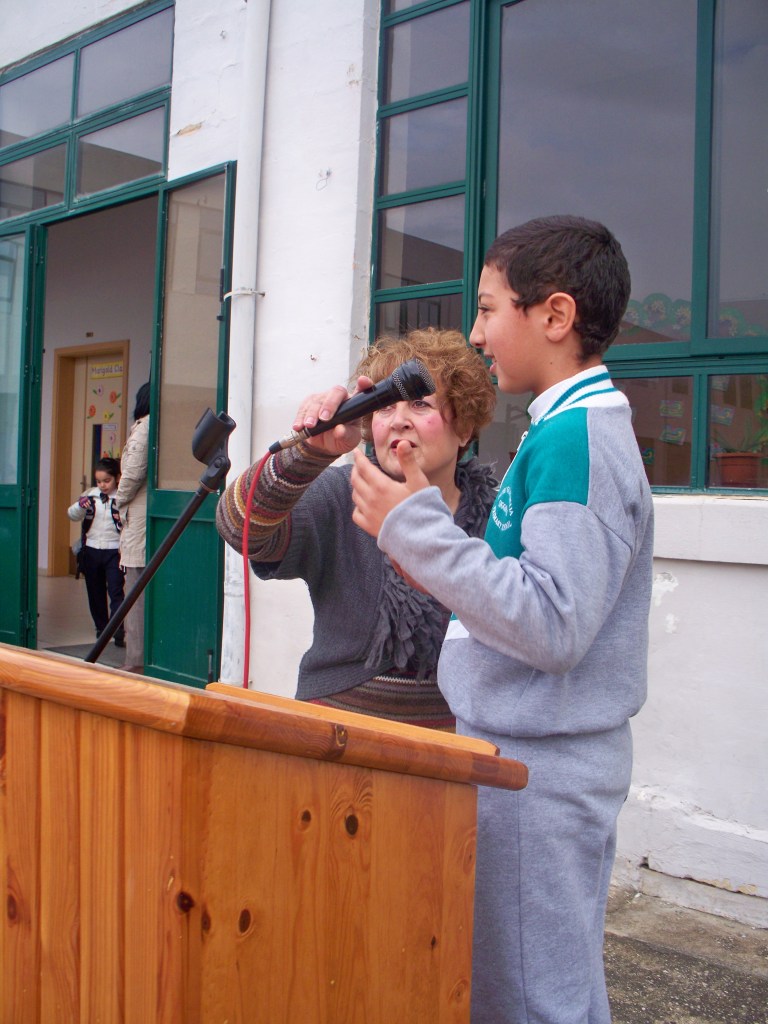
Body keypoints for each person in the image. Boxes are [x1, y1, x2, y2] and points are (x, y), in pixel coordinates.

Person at [350, 216, 654, 1024]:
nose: (478, 333)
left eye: (488, 310)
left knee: (528, 999)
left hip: (537, 776)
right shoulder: (561, 431)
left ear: (554, 316)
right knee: (544, 987)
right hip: (527, 762)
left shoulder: (577, 440)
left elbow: (552, 624)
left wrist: (413, 527)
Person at [216, 328, 497, 729]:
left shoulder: (498, 517)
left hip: (456, 747)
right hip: (334, 740)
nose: (398, 421)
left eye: (420, 403)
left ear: (465, 427)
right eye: (384, 406)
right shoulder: (343, 495)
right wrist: (309, 452)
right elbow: (237, 525)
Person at [68, 456, 125, 648]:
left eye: (107, 481)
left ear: (117, 478)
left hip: (114, 550)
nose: (102, 485)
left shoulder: (122, 497)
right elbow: (72, 514)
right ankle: (101, 627)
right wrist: (79, 506)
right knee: (95, 591)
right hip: (92, 550)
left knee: (116, 591)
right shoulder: (90, 496)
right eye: (99, 481)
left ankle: (118, 629)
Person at [116, 382, 150, 673]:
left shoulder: (144, 428)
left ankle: (135, 660)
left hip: (138, 520)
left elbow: (133, 473)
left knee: (135, 591)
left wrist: (118, 501)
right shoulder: (161, 425)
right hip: (147, 516)